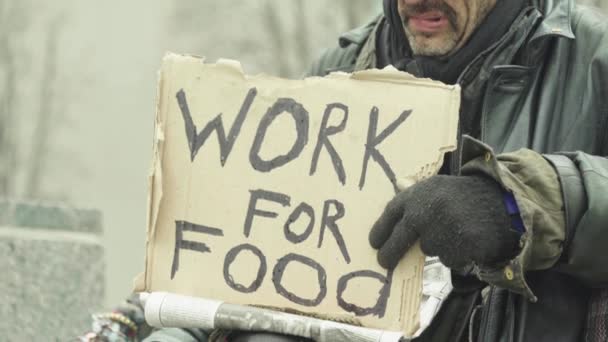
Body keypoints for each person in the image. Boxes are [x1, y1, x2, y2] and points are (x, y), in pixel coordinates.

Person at [82, 0, 608, 341]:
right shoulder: (340, 69)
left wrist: (516, 205)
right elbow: (248, 265)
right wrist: (154, 325)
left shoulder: (594, 56)